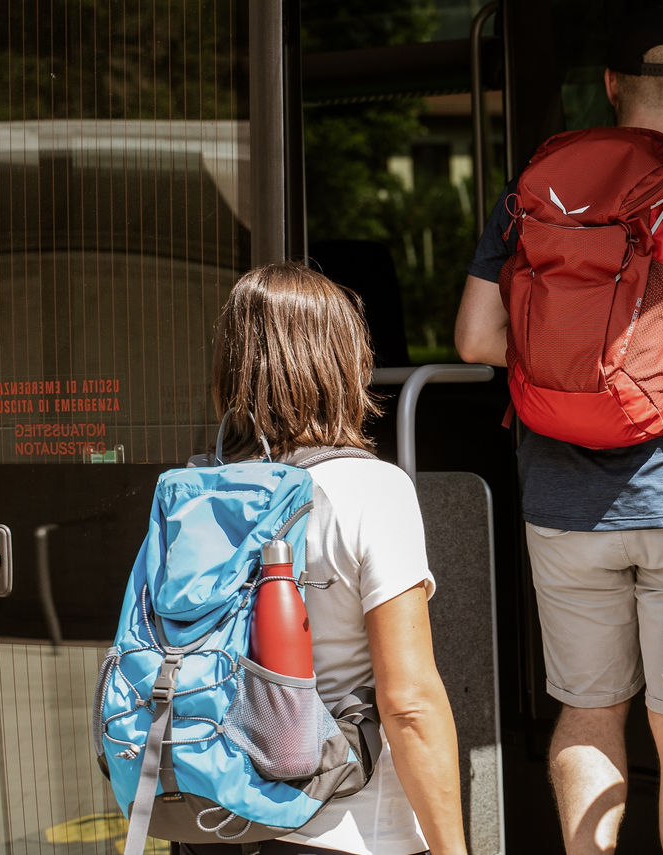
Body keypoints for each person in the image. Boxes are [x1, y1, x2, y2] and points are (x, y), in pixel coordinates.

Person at [455, 10, 663, 855]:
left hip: (565, 504)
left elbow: (474, 338)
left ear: (610, 87)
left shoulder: (540, 185)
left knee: (586, 711)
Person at [188, 262, 468, 855]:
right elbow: (409, 702)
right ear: (341, 363)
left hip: (213, 819)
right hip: (346, 829)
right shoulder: (373, 491)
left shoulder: (200, 495)